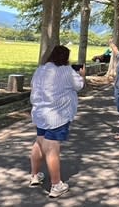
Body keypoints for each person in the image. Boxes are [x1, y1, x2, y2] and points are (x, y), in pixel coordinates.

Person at [28, 45, 85, 198]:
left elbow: (33, 86)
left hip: (40, 113)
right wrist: (82, 75)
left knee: (39, 142)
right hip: (57, 115)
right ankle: (56, 184)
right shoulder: (67, 71)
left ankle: (34, 175)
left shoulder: (40, 69)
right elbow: (79, 86)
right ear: (65, 58)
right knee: (52, 149)